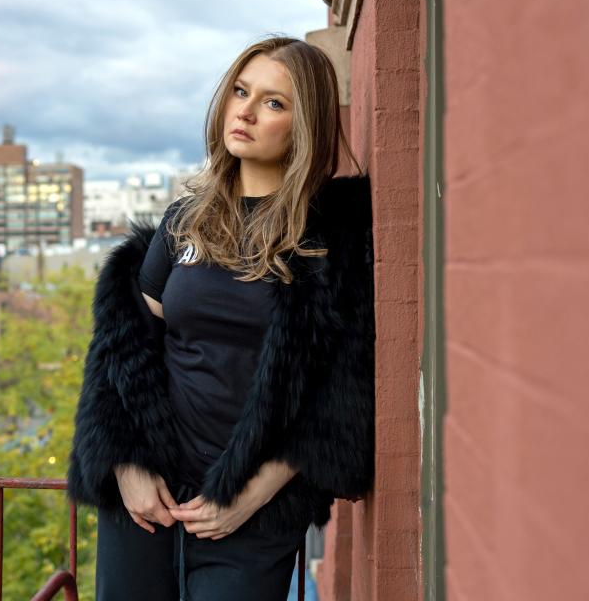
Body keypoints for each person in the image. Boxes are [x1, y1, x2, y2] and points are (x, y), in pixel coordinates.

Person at [66, 35, 376, 601]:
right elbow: (122, 347)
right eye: (240, 90)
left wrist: (251, 493)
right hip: (149, 500)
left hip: (253, 510)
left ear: (303, 126)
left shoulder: (332, 238)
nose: (247, 111)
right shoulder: (187, 221)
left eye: (274, 102)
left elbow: (342, 387)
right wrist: (126, 465)